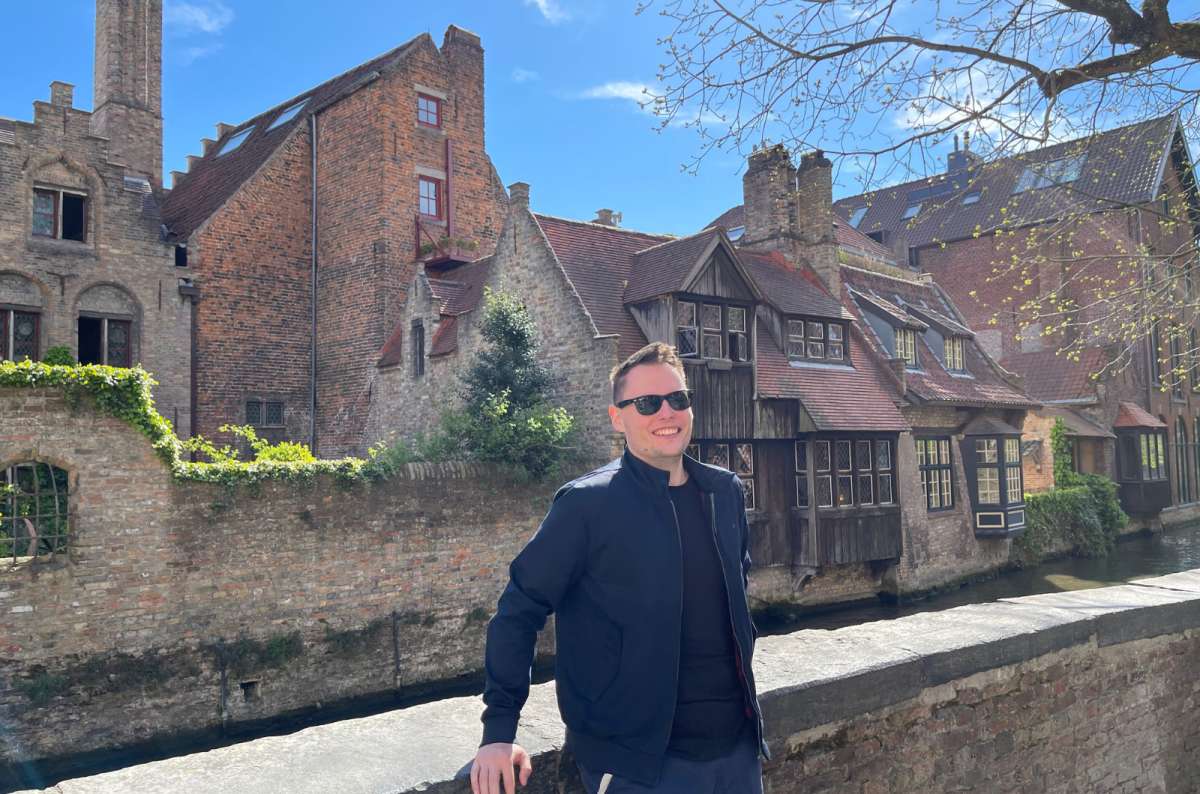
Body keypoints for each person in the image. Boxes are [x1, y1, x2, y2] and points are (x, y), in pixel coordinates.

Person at [470, 342, 767, 794]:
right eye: (648, 403)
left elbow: (733, 607)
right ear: (618, 418)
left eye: (678, 399)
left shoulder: (723, 493)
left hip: (737, 754)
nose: (666, 413)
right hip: (638, 767)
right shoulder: (587, 505)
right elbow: (519, 610)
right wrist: (498, 732)